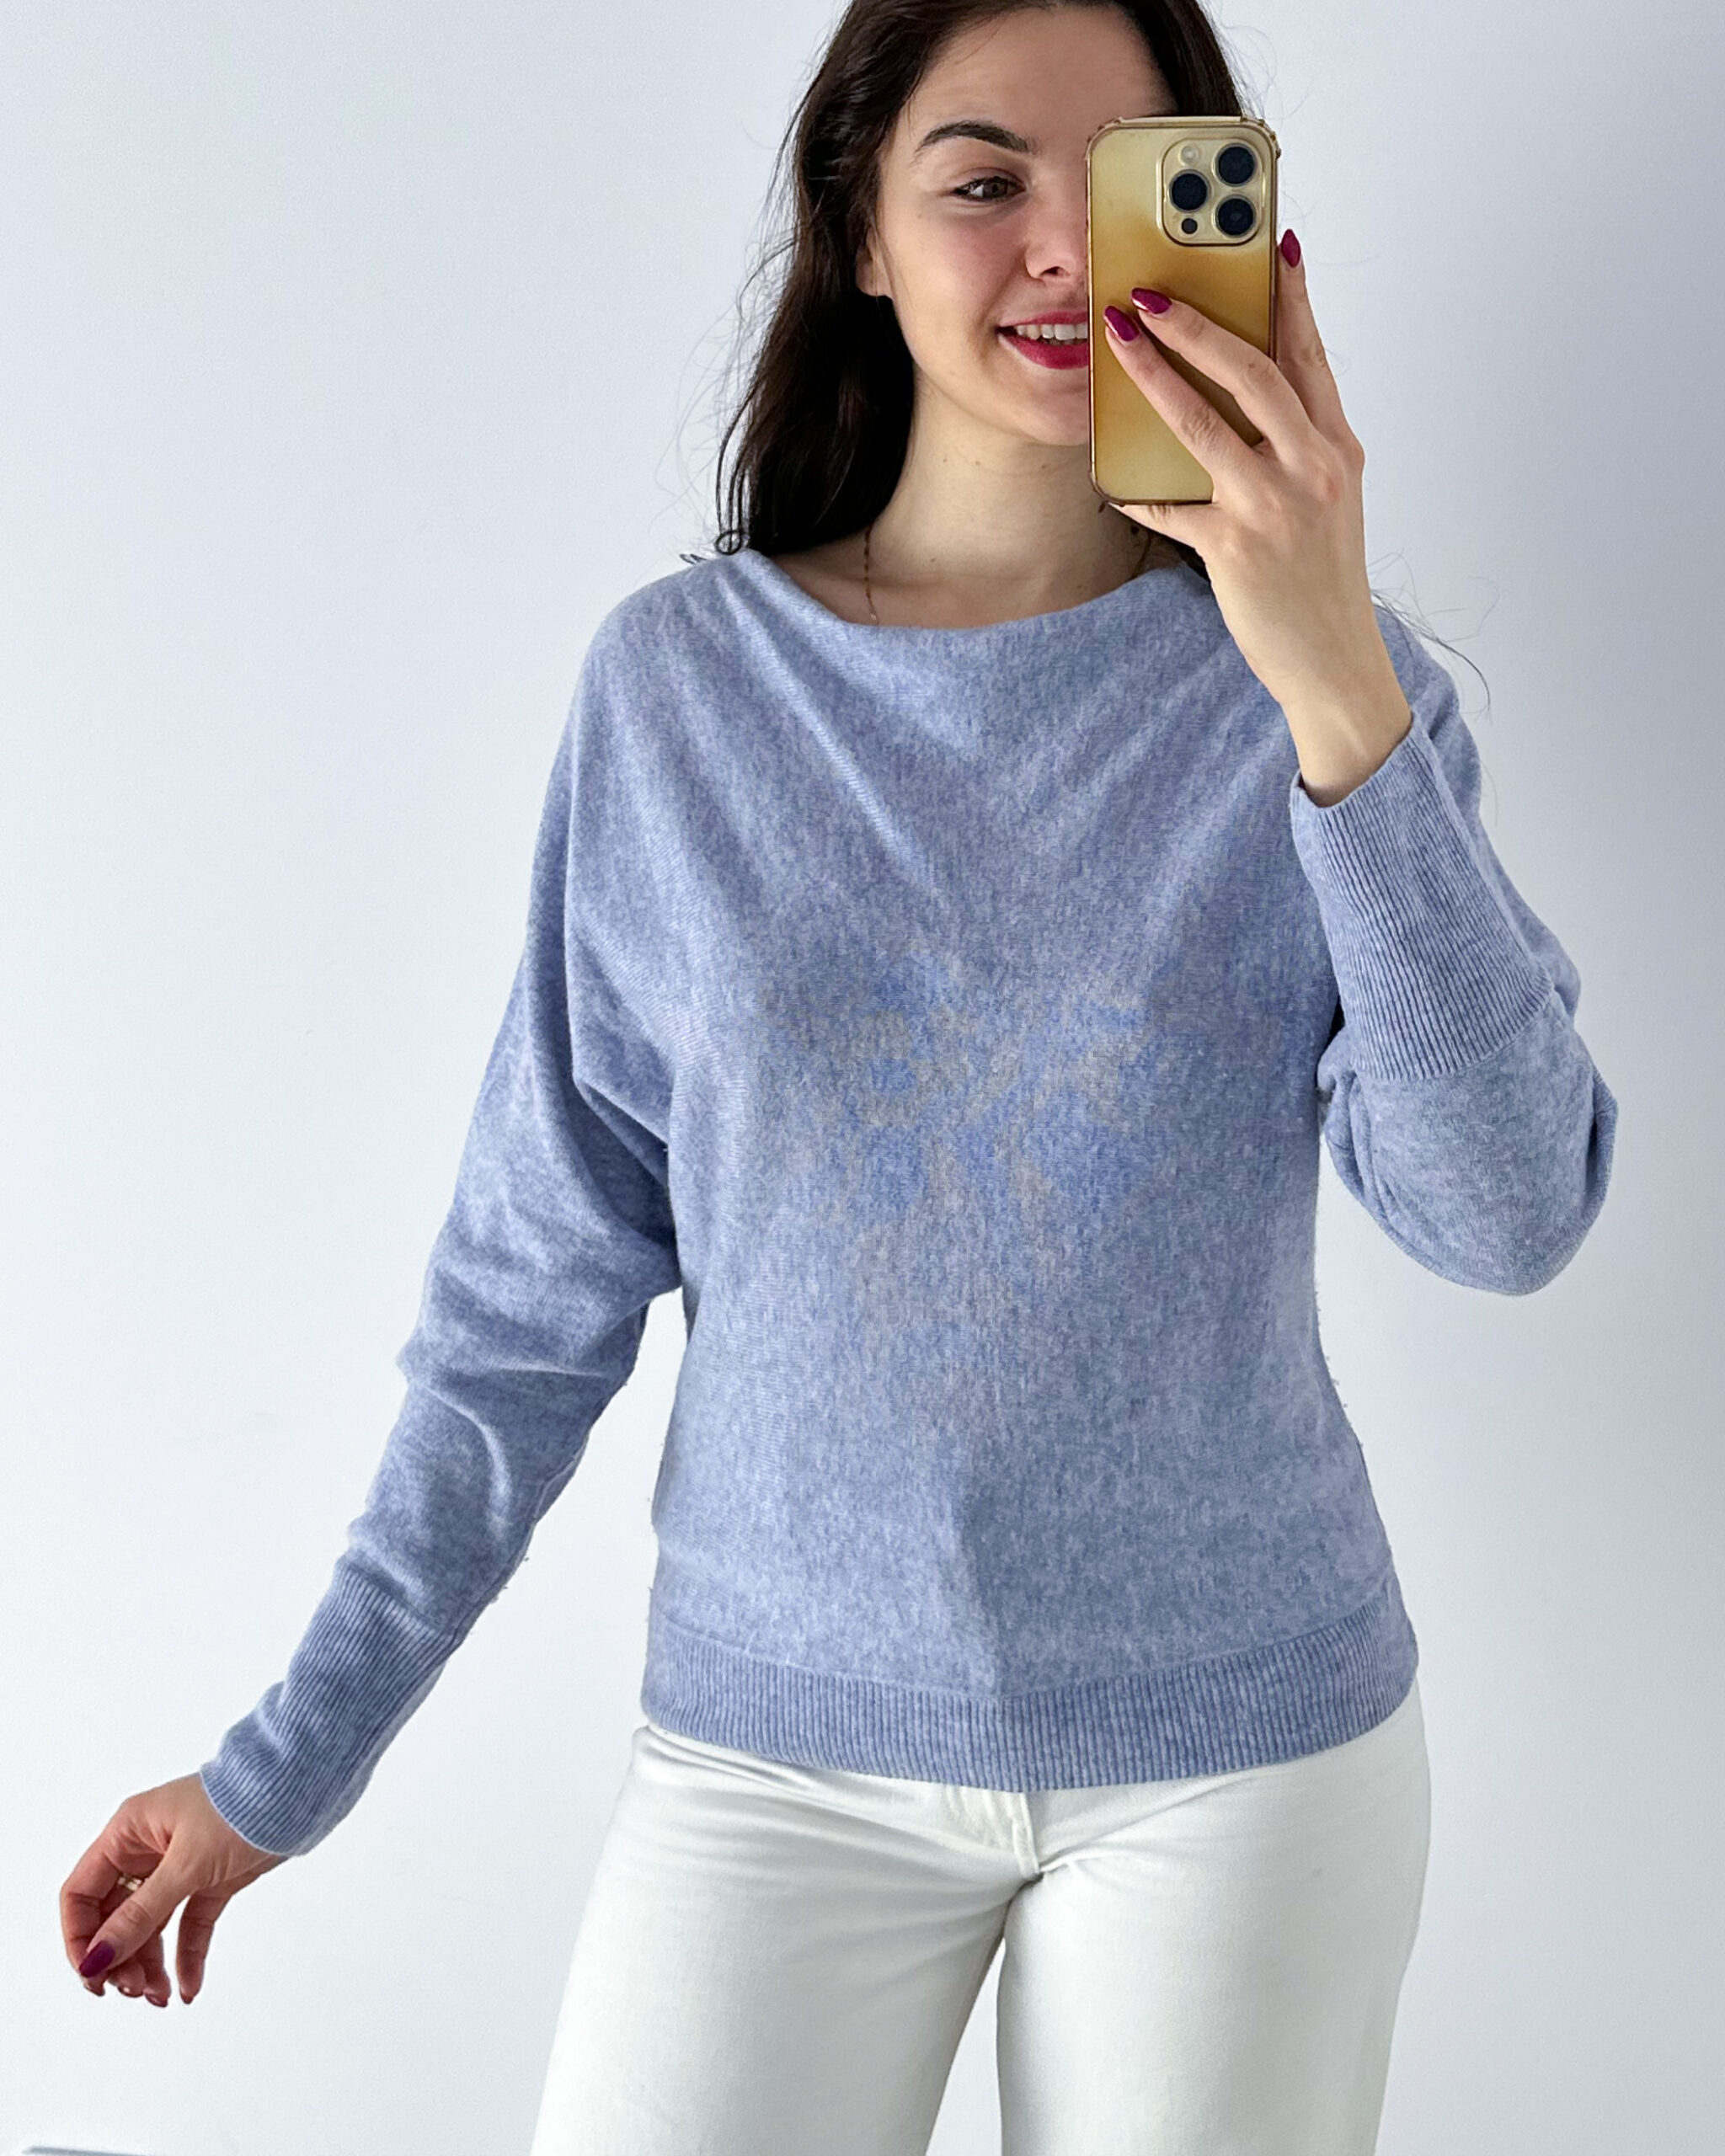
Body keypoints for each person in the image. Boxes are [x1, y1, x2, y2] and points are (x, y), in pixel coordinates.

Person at [61, 2, 1618, 2149]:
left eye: (1131, 183)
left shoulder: (1325, 695)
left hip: (1243, 1753)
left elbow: (1509, 1214)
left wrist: (1333, 673)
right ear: (859, 233)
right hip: (773, 1755)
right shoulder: (679, 696)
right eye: (983, 182)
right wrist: (282, 1762)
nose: (1062, 250)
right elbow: (527, 1303)